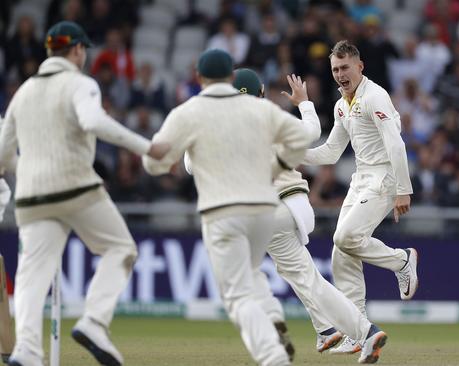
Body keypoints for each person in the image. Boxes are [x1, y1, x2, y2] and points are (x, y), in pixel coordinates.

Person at [0, 21, 170, 366]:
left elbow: (3, 156)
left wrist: (33, 168)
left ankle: (27, 351)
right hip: (75, 185)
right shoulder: (81, 84)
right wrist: (146, 147)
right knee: (120, 248)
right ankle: (94, 322)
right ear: (77, 50)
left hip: (31, 195)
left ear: (50, 51)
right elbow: (93, 122)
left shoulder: (23, 93)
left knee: (33, 273)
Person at [142, 49, 316, 366]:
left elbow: (157, 164)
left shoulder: (190, 111)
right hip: (264, 207)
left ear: (200, 78)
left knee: (237, 294)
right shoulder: (260, 111)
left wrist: (161, 158)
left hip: (222, 211)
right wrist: (276, 166)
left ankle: (273, 356)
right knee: (250, 272)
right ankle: (273, 313)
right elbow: (304, 138)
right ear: (231, 77)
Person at [302, 40, 418, 354]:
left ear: (360, 66)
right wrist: (292, 153)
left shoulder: (375, 96)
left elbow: (396, 144)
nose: (340, 74)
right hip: (360, 180)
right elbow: (329, 153)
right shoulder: (343, 105)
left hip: (384, 178)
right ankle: (358, 331)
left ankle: (401, 260)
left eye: (345, 67)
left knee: (345, 236)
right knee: (343, 252)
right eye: (335, 69)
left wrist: (402, 189)